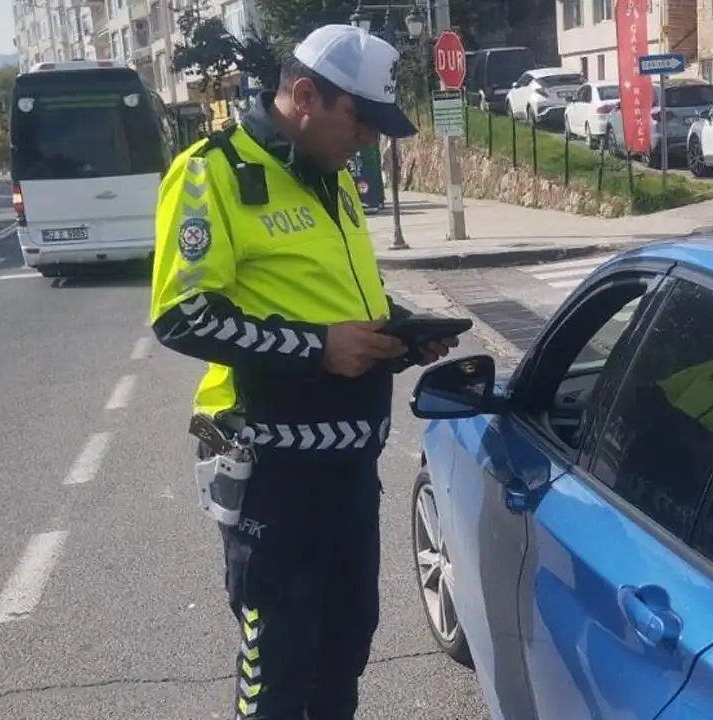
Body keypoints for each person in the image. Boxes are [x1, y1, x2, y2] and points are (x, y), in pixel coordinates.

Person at [147, 25, 459, 720]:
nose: (368, 141)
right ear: (307, 95)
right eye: (362, 121)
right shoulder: (214, 171)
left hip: (349, 464)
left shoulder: (333, 177)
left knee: (345, 649)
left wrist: (399, 334)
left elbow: (344, 299)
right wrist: (316, 348)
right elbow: (181, 316)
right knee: (280, 671)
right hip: (272, 473)